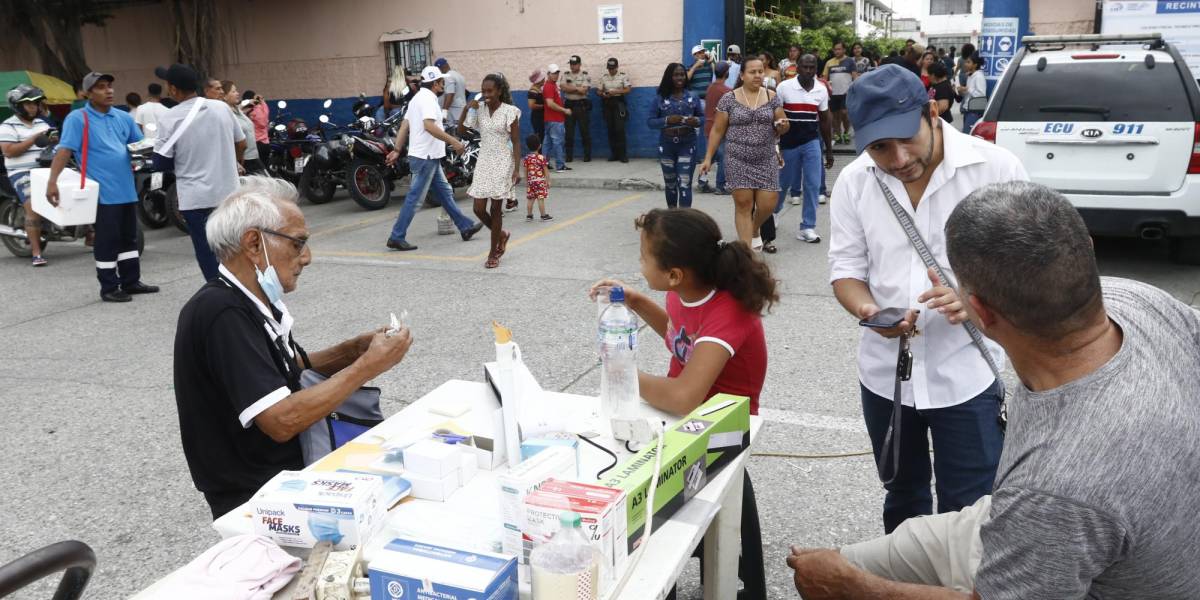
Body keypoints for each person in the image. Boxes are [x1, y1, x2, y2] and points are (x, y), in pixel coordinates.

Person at [791, 181, 1200, 600]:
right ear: (1086, 250)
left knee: (841, 573)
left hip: (1061, 539)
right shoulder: (1144, 301)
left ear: (980, 312)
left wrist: (853, 587)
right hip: (1071, 529)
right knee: (901, 541)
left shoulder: (1053, 490)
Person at [827, 64, 1027, 534]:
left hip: (968, 372)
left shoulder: (996, 168)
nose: (897, 159)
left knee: (972, 506)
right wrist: (867, 310)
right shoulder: (857, 182)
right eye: (878, 147)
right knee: (903, 495)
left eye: (905, 139)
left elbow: (1028, 268)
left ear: (932, 111)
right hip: (886, 376)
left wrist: (977, 303)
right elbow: (846, 271)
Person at [173, 176, 414, 519]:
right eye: (298, 243)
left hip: (286, 476)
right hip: (258, 496)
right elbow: (281, 419)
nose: (307, 257)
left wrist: (353, 350)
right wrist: (367, 367)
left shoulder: (253, 300)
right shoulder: (221, 313)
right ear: (254, 244)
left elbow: (289, 367)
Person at [588, 207, 774, 600]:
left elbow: (684, 396)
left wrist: (621, 374)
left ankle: (699, 579)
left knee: (655, 507)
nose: (639, 265)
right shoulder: (682, 293)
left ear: (674, 274)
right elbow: (680, 339)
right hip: (687, 422)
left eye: (643, 258)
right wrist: (638, 303)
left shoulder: (729, 310)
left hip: (720, 427)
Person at [46, 72, 159, 302]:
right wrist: (52, 182)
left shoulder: (123, 117)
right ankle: (109, 287)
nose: (108, 91)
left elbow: (138, 145)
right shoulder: (78, 119)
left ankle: (131, 281)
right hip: (101, 192)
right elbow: (65, 150)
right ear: (87, 93)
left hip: (127, 188)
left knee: (129, 239)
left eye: (109, 86)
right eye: (100, 87)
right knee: (108, 240)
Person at [155, 64, 247, 282]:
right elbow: (241, 143)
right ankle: (245, 289)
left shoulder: (170, 118)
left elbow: (161, 163)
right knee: (234, 247)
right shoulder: (221, 108)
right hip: (229, 194)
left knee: (208, 253)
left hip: (196, 200)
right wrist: (233, 163)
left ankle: (221, 293)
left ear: (173, 89)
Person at [383, 66, 482, 251]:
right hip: (425, 157)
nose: (443, 85)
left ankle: (465, 227)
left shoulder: (417, 99)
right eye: (442, 82)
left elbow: (405, 125)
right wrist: (454, 141)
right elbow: (428, 126)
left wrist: (397, 149)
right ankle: (396, 236)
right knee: (415, 198)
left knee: (445, 193)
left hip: (428, 156)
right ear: (435, 84)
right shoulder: (428, 99)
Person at [700, 57, 788, 247]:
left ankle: (755, 227)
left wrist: (782, 126)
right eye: (752, 72)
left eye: (760, 71)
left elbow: (783, 123)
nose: (757, 75)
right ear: (742, 75)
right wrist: (708, 158)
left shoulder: (772, 96)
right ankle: (745, 252)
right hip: (737, 159)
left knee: (768, 203)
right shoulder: (729, 99)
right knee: (743, 205)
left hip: (765, 158)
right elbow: (717, 130)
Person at [458, 73, 521, 269]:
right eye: (483, 91)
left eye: (490, 91)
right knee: (478, 208)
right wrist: (465, 110)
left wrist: (517, 169)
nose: (486, 94)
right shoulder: (479, 110)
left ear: (499, 91)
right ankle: (501, 234)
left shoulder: (510, 111)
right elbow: (462, 132)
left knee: (495, 209)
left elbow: (517, 142)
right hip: (484, 161)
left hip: (503, 161)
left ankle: (493, 252)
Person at [774, 54, 834, 247]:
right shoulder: (784, 88)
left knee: (813, 184)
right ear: (797, 67)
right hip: (788, 144)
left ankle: (807, 226)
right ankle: (773, 213)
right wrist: (774, 144)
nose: (809, 70)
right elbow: (774, 116)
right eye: (805, 67)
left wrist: (829, 150)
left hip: (811, 142)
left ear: (816, 68)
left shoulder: (821, 89)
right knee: (783, 184)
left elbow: (825, 121)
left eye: (812, 67)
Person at [1, 85, 55, 266]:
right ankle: (36, 252)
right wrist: (33, 139)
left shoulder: (42, 123)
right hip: (22, 171)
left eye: (36, 103)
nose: (33, 107)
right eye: (28, 104)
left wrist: (53, 140)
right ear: (17, 105)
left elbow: (50, 144)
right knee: (33, 207)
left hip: (46, 167)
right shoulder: (7, 126)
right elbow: (9, 152)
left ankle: (88, 233)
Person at [648, 63, 704, 209]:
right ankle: (673, 219)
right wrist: (667, 120)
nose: (680, 78)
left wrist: (696, 121)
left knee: (684, 183)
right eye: (676, 75)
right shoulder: (660, 98)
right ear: (669, 77)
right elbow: (650, 122)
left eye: (682, 75)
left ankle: (684, 222)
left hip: (687, 144)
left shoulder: (693, 96)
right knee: (670, 184)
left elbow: (703, 118)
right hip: (666, 145)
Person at [697, 61, 731, 195]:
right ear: (727, 73)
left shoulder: (710, 87)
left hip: (708, 126)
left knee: (710, 156)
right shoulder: (727, 91)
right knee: (724, 157)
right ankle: (720, 186)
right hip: (720, 128)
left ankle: (702, 181)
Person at [221, 82, 265, 175]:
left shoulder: (238, 110)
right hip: (243, 162)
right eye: (233, 91)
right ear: (224, 96)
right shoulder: (226, 114)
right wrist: (236, 162)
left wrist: (251, 101)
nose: (237, 93)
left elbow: (242, 105)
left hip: (254, 158)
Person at [598, 57, 631, 163]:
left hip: (619, 103)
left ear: (617, 67)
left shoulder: (623, 76)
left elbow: (628, 89)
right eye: (609, 68)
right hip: (607, 103)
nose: (611, 70)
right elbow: (598, 91)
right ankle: (614, 154)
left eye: (612, 68)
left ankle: (623, 155)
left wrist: (617, 91)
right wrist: (603, 94)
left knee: (619, 129)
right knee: (611, 129)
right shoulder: (604, 77)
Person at [822, 41, 856, 145]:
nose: (837, 51)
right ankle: (837, 134)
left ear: (844, 50)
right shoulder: (829, 62)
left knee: (845, 113)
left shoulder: (850, 61)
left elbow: (855, 76)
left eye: (839, 49)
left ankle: (846, 132)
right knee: (835, 116)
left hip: (846, 93)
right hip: (833, 93)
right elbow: (824, 78)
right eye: (835, 49)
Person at [561, 55, 592, 163]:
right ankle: (569, 156)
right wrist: (577, 88)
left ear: (579, 64)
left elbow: (584, 91)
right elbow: (563, 87)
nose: (572, 66)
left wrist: (570, 89)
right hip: (569, 105)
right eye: (571, 64)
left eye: (574, 64)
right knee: (569, 132)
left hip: (581, 105)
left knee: (584, 131)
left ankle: (587, 155)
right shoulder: (565, 75)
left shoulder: (585, 75)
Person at [541, 64, 572, 172]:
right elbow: (550, 103)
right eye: (554, 73)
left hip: (552, 119)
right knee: (558, 142)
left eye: (557, 73)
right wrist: (564, 110)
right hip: (555, 119)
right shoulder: (549, 86)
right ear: (548, 74)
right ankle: (560, 165)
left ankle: (543, 164)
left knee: (547, 143)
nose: (556, 75)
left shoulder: (552, 85)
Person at [523, 134, 552, 222]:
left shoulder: (526, 158)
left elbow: (525, 170)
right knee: (540, 198)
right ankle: (543, 215)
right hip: (540, 181)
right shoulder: (541, 157)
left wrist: (527, 181)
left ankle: (529, 215)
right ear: (540, 145)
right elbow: (545, 170)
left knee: (530, 199)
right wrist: (548, 181)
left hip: (531, 181)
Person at [956, 53, 987, 133]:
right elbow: (970, 92)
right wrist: (962, 90)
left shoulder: (979, 76)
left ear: (975, 65)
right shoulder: (971, 75)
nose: (965, 64)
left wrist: (967, 89)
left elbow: (981, 94)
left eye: (968, 62)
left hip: (974, 111)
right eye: (966, 62)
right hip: (968, 109)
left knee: (968, 134)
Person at [434, 58, 467, 129]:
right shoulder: (458, 75)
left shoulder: (448, 76)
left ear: (441, 68)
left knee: (453, 133)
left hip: (454, 111)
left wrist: (444, 112)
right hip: (461, 108)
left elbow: (450, 94)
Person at [241, 89, 270, 161]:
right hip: (264, 143)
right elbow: (266, 115)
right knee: (264, 167)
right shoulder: (261, 108)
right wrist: (262, 101)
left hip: (255, 144)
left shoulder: (247, 110)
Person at [927, 61, 955, 126]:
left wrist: (929, 116)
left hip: (941, 122)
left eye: (929, 74)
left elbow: (943, 107)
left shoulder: (943, 87)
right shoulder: (936, 85)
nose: (928, 76)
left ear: (933, 75)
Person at [527, 69, 546, 142]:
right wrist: (544, 106)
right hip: (537, 118)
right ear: (539, 80)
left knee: (542, 136)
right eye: (543, 78)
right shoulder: (533, 91)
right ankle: (538, 153)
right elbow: (531, 105)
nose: (544, 79)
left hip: (541, 117)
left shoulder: (539, 89)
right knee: (539, 136)